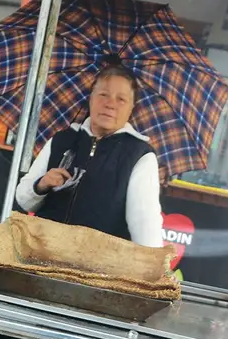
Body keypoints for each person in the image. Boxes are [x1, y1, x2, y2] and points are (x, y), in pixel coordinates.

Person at [15, 65, 164, 248]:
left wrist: (151, 266)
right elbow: (23, 199)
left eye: (121, 99)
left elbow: (144, 222)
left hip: (97, 269)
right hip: (42, 254)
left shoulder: (140, 156)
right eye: (103, 95)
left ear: (132, 108)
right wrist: (42, 184)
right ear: (91, 98)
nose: (110, 104)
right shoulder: (62, 141)